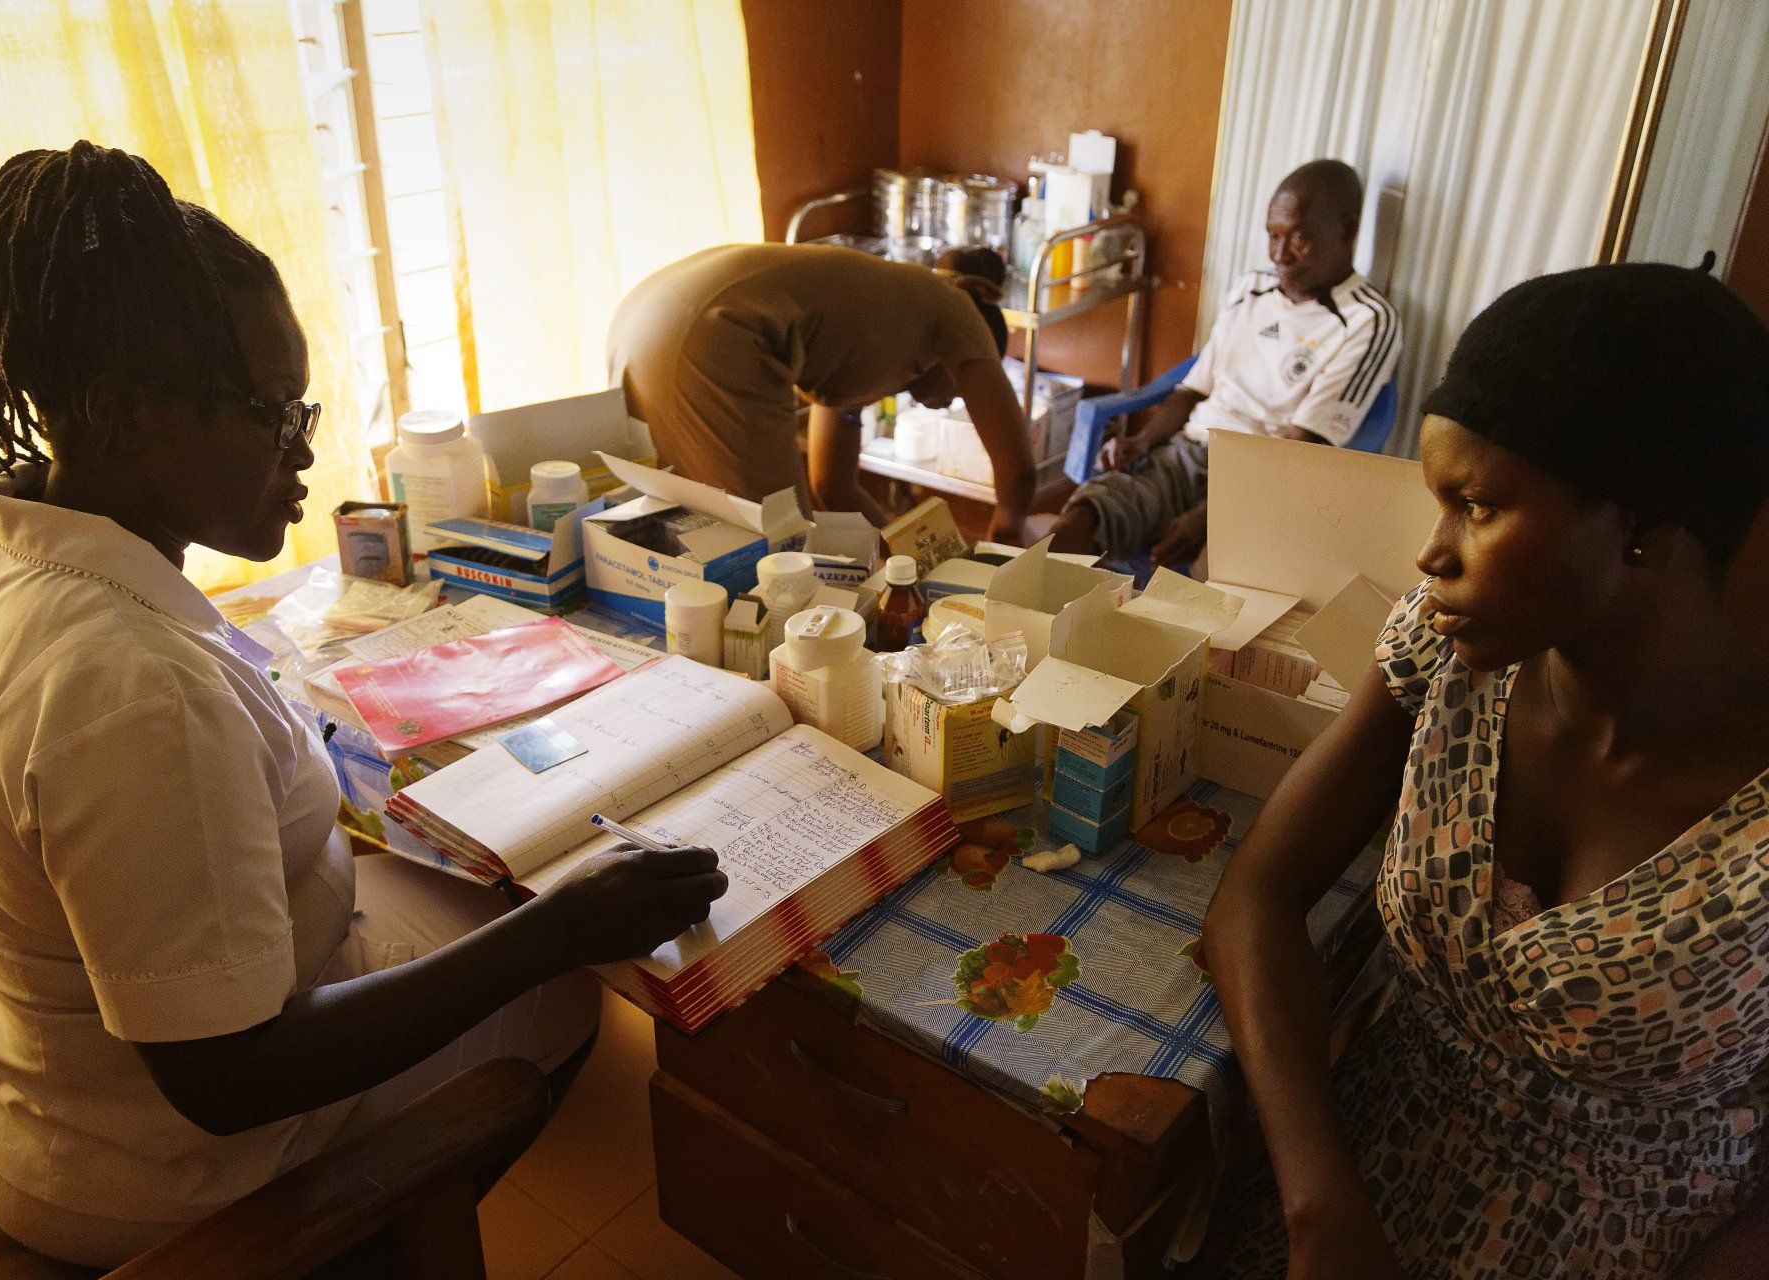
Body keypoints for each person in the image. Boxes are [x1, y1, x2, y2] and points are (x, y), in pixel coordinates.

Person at [0, 141, 728, 1268]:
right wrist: (560, 930)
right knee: (562, 980)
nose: (306, 452)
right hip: (134, 1168)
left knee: (427, 884)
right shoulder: (138, 692)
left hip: (1, 1068)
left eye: (303, 404)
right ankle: (374, 1241)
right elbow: (230, 1079)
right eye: (269, 416)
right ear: (119, 416)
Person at [1195, 263, 1769, 1279]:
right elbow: (1260, 893)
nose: (1432, 552)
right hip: (1358, 1184)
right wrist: (1320, 1203)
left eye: (1477, 506)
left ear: (1644, 527)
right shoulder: (1450, 657)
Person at [1048, 160, 1399, 567]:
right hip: (1190, 454)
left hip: (1269, 485)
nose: (1280, 255)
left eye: (1300, 239)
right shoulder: (1251, 289)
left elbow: (1307, 449)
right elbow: (1194, 387)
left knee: (1209, 581)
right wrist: (1143, 442)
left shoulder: (1367, 318)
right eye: (1273, 236)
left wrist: (1211, 517)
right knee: (1089, 513)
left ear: (1347, 231)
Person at [606, 241, 1036, 540]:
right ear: (966, 352)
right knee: (780, 546)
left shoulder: (872, 336)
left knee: (682, 523)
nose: (949, 402)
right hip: (713, 334)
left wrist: (916, 555)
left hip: (644, 318)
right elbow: (1017, 474)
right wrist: (1004, 539)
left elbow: (834, 487)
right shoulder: (958, 306)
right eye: (962, 390)